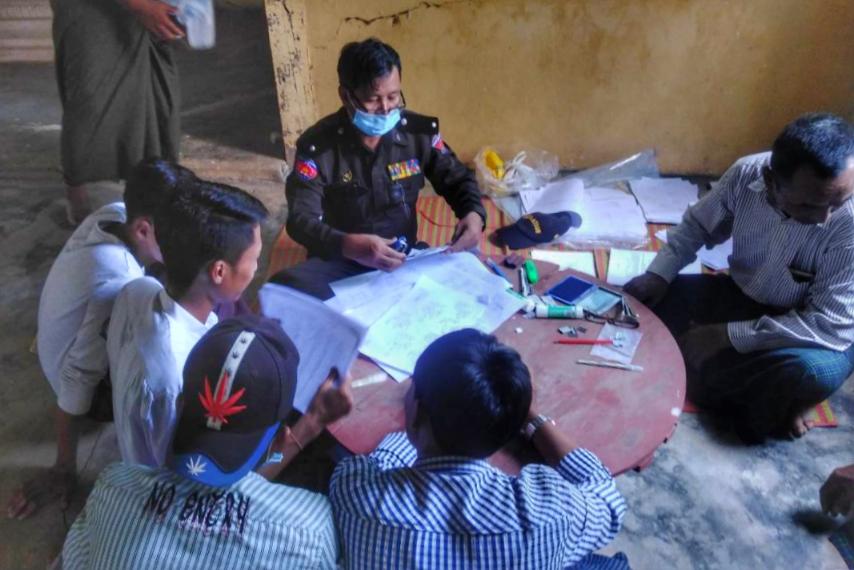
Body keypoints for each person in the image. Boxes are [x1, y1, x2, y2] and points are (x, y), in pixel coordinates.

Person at [624, 113, 854, 442]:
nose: (824, 218)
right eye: (808, 205)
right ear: (771, 180)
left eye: (838, 201)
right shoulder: (746, 174)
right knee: (643, 306)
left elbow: (828, 324)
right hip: (742, 296)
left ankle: (773, 393)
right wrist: (658, 275)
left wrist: (728, 336)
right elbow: (697, 226)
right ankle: (764, 399)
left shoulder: (849, 221)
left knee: (806, 374)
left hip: (817, 333)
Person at [59, 315, 353, 569]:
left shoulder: (112, 489)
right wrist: (310, 425)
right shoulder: (309, 533)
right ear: (278, 440)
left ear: (179, 405)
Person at [330, 329, 628, 570]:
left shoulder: (356, 493)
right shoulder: (552, 512)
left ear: (417, 409)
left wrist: (418, 427)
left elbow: (381, 461)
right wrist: (529, 417)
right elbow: (609, 502)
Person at [6, 159, 194, 520]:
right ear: (143, 229)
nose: (185, 243)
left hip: (62, 341)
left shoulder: (115, 212)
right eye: (177, 235)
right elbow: (77, 377)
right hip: (83, 386)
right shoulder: (117, 285)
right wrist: (64, 468)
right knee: (171, 354)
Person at [270, 38, 487, 300]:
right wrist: (347, 245)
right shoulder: (319, 148)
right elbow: (300, 220)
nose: (385, 109)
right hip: (341, 261)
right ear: (345, 95)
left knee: (465, 287)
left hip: (402, 257)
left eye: (393, 97)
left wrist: (473, 213)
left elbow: (457, 179)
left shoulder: (417, 134)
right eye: (373, 99)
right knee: (286, 291)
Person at [108, 179, 268, 467]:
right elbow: (175, 472)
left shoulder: (137, 290)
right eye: (254, 259)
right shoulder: (176, 376)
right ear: (219, 271)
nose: (256, 270)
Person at [53, 0, 184, 223]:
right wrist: (140, 6)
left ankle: (150, 181)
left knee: (157, 97)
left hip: (144, 13)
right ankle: (77, 189)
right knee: (91, 102)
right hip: (89, 10)